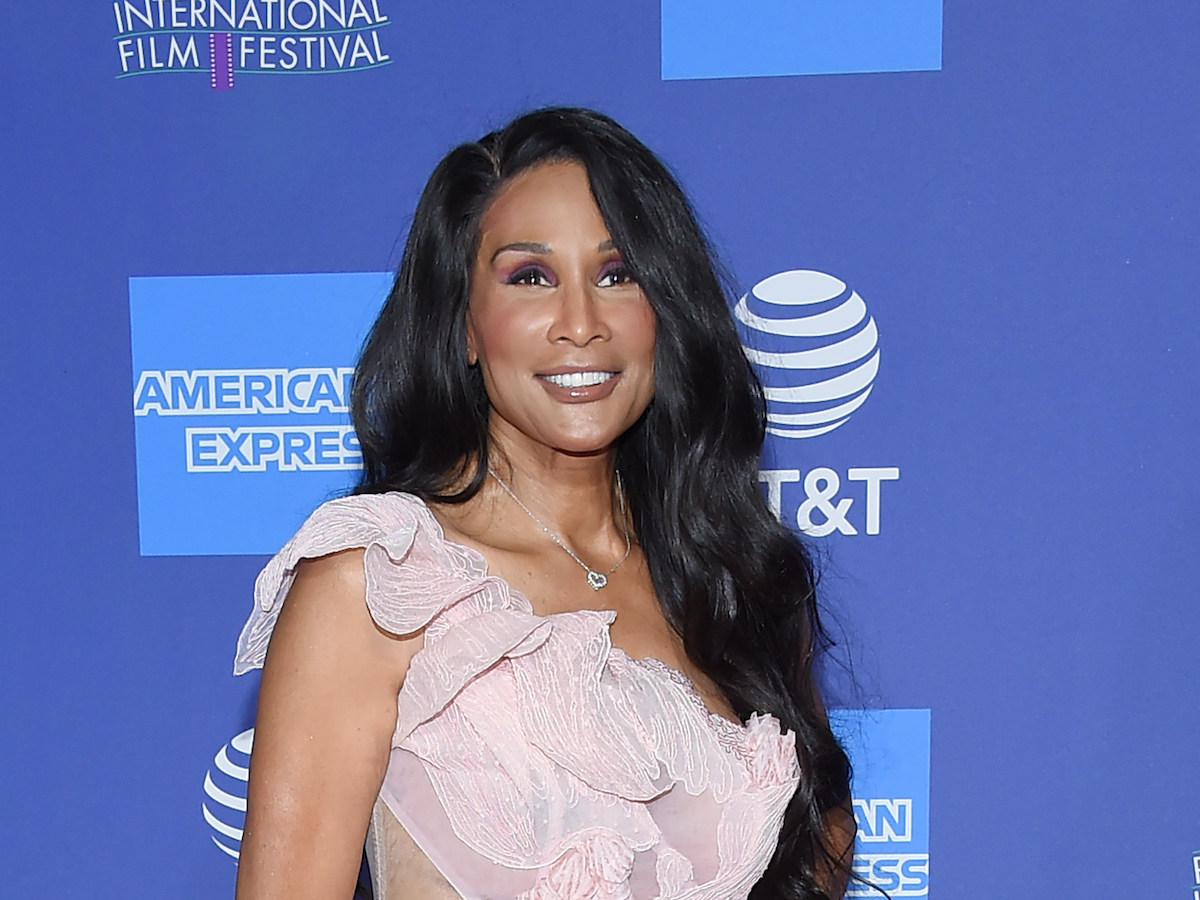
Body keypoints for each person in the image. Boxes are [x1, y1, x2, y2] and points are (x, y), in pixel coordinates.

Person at [232, 107, 855, 900]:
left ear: (663, 310)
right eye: (530, 277)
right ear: (464, 324)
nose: (580, 324)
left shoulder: (728, 573)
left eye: (617, 274)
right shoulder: (379, 578)